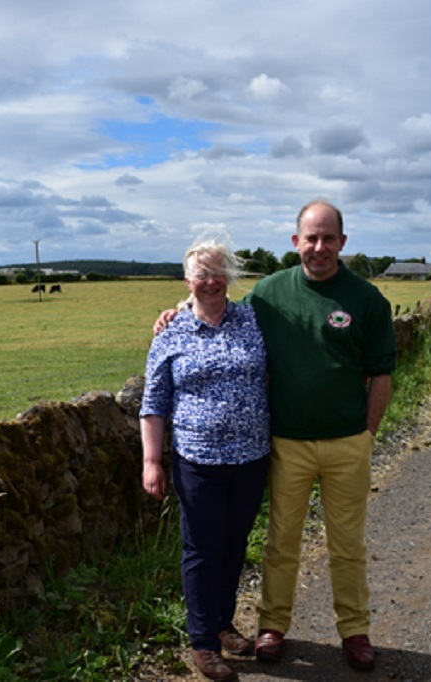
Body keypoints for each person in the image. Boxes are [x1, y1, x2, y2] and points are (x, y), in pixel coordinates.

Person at [154, 200, 396, 672]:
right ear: (296, 242)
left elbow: (381, 374)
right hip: (286, 443)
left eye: (329, 238)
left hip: (348, 442)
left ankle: (355, 630)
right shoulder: (268, 294)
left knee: (348, 543)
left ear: (343, 242)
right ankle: (272, 627)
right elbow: (214, 305)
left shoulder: (367, 300)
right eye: (311, 238)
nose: (319, 247)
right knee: (281, 540)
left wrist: (367, 434)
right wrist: (177, 311)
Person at [140, 239, 271, 682]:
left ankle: (222, 622)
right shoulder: (171, 332)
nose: (211, 281)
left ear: (229, 278)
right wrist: (152, 461)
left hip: (251, 457)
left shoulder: (252, 319)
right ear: (187, 280)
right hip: (197, 461)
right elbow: (153, 402)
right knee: (202, 548)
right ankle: (202, 643)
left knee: (235, 544)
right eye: (202, 274)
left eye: (219, 272)